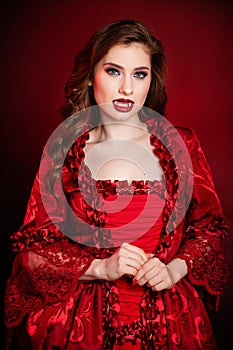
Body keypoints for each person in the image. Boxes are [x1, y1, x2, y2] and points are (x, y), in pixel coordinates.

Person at [3, 19, 230, 350]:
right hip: (83, 324)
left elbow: (209, 231)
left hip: (170, 321)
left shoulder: (181, 144)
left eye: (139, 74)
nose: (127, 88)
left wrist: (174, 270)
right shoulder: (64, 150)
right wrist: (101, 267)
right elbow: (34, 252)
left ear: (151, 81)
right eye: (113, 71)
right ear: (91, 74)